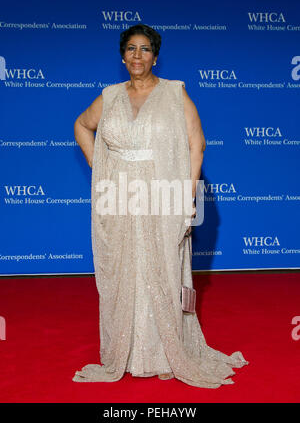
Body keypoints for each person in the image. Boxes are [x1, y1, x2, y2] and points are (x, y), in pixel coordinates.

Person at [72, 24, 249, 388]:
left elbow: (196, 145)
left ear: (155, 55)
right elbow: (81, 125)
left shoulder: (174, 92)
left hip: (163, 194)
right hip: (119, 198)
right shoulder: (108, 96)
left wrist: (186, 197)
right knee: (124, 272)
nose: (138, 55)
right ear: (123, 56)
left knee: (165, 272)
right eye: (132, 49)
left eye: (146, 49)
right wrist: (100, 167)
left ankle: (167, 352)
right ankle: (129, 352)